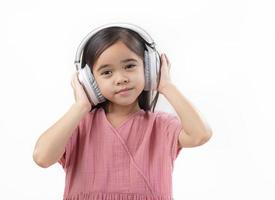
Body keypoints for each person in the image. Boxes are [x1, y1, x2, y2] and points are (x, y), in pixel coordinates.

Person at [32, 23, 213, 200]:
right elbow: (42, 157)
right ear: (90, 82)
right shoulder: (79, 126)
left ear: (149, 69)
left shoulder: (160, 126)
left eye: (129, 66)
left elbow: (200, 134)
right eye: (107, 72)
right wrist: (80, 106)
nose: (121, 79)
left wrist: (166, 86)